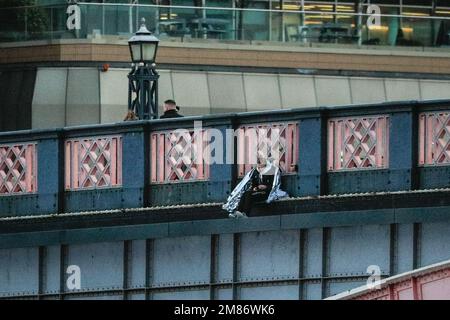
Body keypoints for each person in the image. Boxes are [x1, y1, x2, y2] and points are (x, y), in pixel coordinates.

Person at [223, 159, 289, 219]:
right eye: (258, 163)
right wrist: (255, 187)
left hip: (266, 193)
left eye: (260, 162)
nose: (259, 164)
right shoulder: (255, 171)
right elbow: (253, 183)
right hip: (257, 191)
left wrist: (265, 187)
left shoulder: (272, 171)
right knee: (245, 193)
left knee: (249, 194)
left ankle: (245, 213)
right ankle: (239, 212)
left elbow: (274, 185)